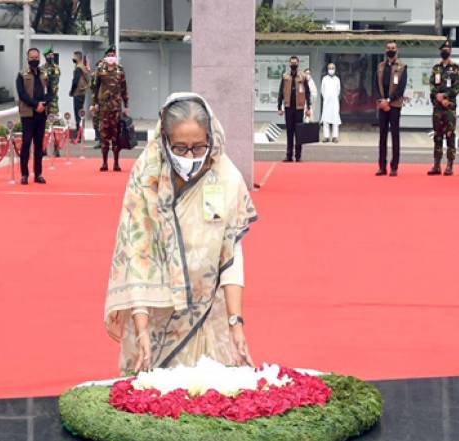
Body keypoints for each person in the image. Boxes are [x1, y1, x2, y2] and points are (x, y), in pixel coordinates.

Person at [104, 93, 257, 373]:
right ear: (164, 141)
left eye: (199, 148)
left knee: (211, 400)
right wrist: (141, 329)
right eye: (180, 148)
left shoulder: (225, 176)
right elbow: (137, 254)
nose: (190, 157)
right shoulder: (146, 177)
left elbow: (231, 253)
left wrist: (236, 323)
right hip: (156, 316)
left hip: (208, 314)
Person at [15, 47, 52, 184]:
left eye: (36, 58)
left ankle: (38, 174)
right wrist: (36, 105)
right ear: (27, 58)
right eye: (32, 58)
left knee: (38, 145)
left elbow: (51, 92)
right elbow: (22, 94)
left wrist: (44, 104)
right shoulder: (21, 74)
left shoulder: (45, 74)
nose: (34, 60)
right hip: (28, 113)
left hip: (41, 114)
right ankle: (24, 174)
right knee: (26, 143)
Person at [91, 46, 129, 172]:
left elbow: (124, 88)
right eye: (109, 55)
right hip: (103, 108)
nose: (111, 57)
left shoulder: (120, 70)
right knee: (104, 135)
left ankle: (116, 163)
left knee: (116, 136)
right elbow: (95, 88)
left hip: (116, 108)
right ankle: (104, 162)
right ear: (105, 57)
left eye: (113, 54)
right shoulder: (100, 70)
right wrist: (94, 103)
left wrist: (126, 105)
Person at [428, 40, 459, 176]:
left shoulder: (455, 68)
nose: (445, 50)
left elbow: (457, 87)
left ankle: (449, 165)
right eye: (444, 48)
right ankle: (436, 165)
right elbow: (431, 85)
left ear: (450, 51)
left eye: (448, 48)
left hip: (449, 108)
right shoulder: (436, 68)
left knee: (450, 135)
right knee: (437, 136)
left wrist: (446, 96)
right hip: (437, 108)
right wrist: (437, 96)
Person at [375, 41, 407, 176]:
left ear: (397, 50)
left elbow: (401, 87)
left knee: (394, 135)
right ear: (385, 50)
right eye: (388, 48)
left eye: (393, 48)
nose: (391, 50)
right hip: (382, 104)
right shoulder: (380, 66)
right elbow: (376, 85)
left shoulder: (402, 66)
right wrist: (382, 101)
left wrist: (389, 100)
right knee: (382, 135)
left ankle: (394, 166)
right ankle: (382, 166)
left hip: (394, 105)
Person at [277, 56, 311, 163]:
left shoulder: (303, 76)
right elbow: (280, 92)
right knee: (289, 132)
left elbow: (308, 93)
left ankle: (298, 156)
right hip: (288, 108)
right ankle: (289, 156)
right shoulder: (285, 76)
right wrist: (279, 107)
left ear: (298, 64)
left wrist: (308, 108)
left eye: (295, 63)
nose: (293, 64)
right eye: (292, 63)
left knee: (299, 132)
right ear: (289, 64)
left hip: (299, 108)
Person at [43, 46, 62, 157]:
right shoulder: (41, 68)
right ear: (45, 57)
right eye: (48, 55)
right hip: (43, 100)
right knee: (44, 126)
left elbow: (54, 82)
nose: (50, 57)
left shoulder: (56, 68)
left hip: (53, 100)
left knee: (54, 125)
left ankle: (56, 148)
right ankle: (44, 148)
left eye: (52, 55)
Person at [69, 51, 90, 140]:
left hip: (77, 92)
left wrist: (71, 91)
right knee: (81, 113)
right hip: (82, 92)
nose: (73, 58)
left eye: (74, 56)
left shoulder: (78, 68)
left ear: (77, 57)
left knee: (77, 114)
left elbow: (75, 81)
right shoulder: (83, 67)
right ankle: (81, 134)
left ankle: (79, 135)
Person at [320, 62, 341, 143]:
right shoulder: (324, 79)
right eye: (330, 68)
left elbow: (338, 91)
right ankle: (326, 136)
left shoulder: (337, 79)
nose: (331, 70)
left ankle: (335, 137)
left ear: (335, 69)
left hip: (335, 102)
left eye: (332, 68)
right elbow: (322, 90)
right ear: (327, 69)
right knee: (325, 119)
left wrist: (333, 97)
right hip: (326, 102)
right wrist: (326, 98)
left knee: (335, 119)